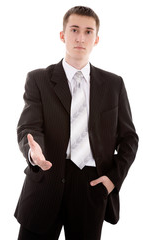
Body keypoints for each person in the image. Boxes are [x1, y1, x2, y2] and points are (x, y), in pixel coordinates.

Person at [15, 6, 138, 240]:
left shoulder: (114, 84)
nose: (81, 37)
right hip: (46, 176)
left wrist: (114, 178)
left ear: (97, 39)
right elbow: (29, 127)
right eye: (74, 29)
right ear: (63, 35)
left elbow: (129, 139)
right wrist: (34, 155)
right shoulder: (39, 79)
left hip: (91, 186)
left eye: (88, 31)